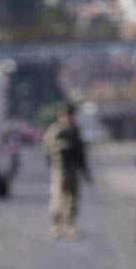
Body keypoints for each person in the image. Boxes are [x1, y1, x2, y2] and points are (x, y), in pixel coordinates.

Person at [43, 102, 89, 239]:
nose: (68, 118)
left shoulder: (75, 130)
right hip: (59, 169)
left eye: (70, 115)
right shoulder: (55, 130)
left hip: (72, 168)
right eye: (66, 115)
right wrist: (64, 146)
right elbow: (48, 149)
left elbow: (81, 152)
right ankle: (56, 225)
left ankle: (70, 224)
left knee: (72, 198)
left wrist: (85, 170)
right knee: (57, 197)